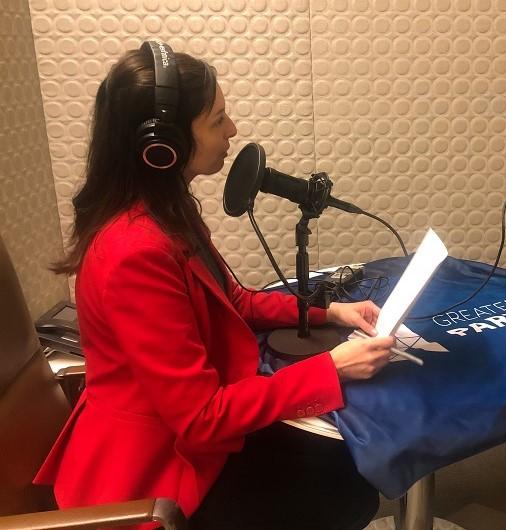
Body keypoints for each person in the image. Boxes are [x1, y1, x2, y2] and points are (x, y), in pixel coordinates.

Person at [34, 41, 395, 530]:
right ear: (162, 143)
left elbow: (233, 300)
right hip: (156, 473)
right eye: (217, 119)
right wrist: (331, 367)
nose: (233, 130)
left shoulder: (166, 211)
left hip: (191, 429)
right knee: (346, 491)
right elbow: (201, 418)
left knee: (346, 464)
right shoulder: (134, 252)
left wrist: (328, 313)